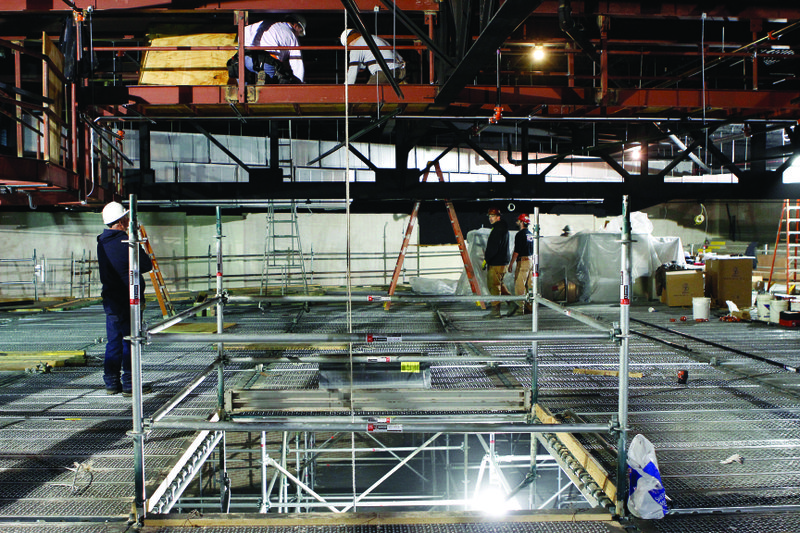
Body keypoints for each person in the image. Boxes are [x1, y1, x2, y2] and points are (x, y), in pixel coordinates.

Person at [97, 202, 152, 396]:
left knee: (113, 341)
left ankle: (111, 382)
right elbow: (146, 265)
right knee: (130, 340)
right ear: (120, 221)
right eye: (126, 218)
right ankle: (130, 384)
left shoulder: (103, 242)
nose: (129, 221)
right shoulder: (123, 243)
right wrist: (134, 240)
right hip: (128, 301)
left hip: (111, 301)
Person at [227, 14, 306, 85]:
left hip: (246, 58)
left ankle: (241, 95)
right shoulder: (292, 37)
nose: (299, 35)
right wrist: (300, 82)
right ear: (296, 25)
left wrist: (246, 47)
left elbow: (244, 31)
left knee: (244, 88)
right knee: (275, 83)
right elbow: (296, 62)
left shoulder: (267, 23)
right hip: (266, 64)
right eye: (300, 31)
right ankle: (264, 82)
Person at [340, 29, 405, 85]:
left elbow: (352, 71)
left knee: (369, 92)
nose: (350, 49)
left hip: (384, 72)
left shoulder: (356, 46)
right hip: (400, 70)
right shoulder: (373, 38)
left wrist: (345, 88)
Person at [484, 207, 511, 318]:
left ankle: (495, 312)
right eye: (489, 216)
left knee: (493, 287)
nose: (490, 218)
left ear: (498, 217)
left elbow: (493, 248)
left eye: (493, 216)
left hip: (496, 263)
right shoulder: (503, 228)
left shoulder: (497, 230)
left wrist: (487, 259)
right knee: (500, 285)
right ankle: (513, 304)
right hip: (502, 262)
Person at [507, 213, 534, 316]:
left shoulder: (520, 234)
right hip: (531, 261)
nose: (517, 223)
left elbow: (516, 252)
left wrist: (511, 264)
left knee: (519, 286)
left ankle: (520, 309)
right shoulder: (530, 234)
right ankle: (530, 307)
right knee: (530, 285)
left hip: (523, 262)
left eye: (518, 221)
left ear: (522, 222)